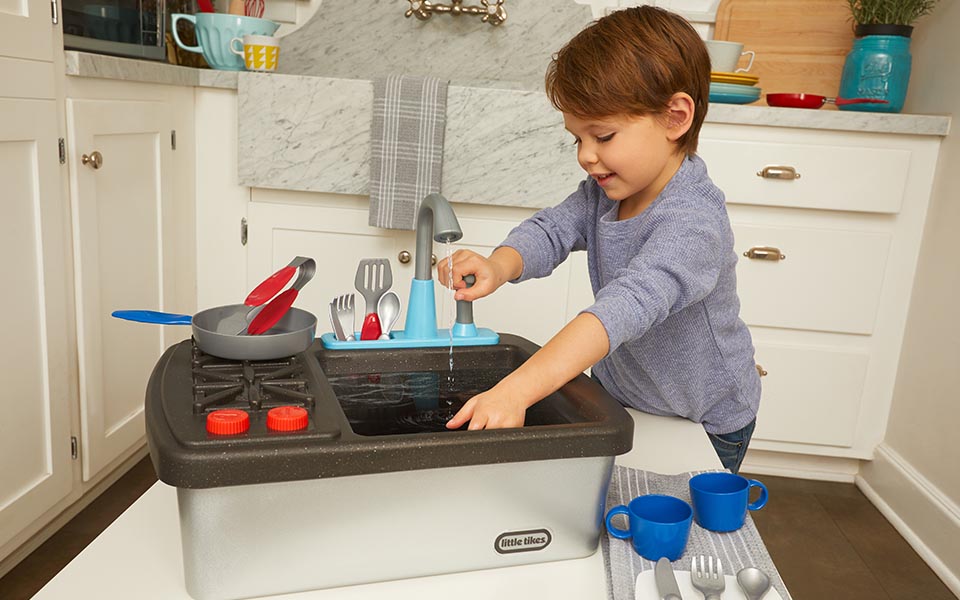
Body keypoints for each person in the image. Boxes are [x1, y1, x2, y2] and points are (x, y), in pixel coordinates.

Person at [436, 6, 761, 474]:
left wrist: (518, 389)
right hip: (624, 394)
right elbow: (552, 228)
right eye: (577, 139)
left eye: (603, 136)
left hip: (706, 418)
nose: (587, 156)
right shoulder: (604, 193)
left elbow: (623, 307)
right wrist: (499, 265)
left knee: (677, 522)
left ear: (675, 117)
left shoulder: (693, 222)